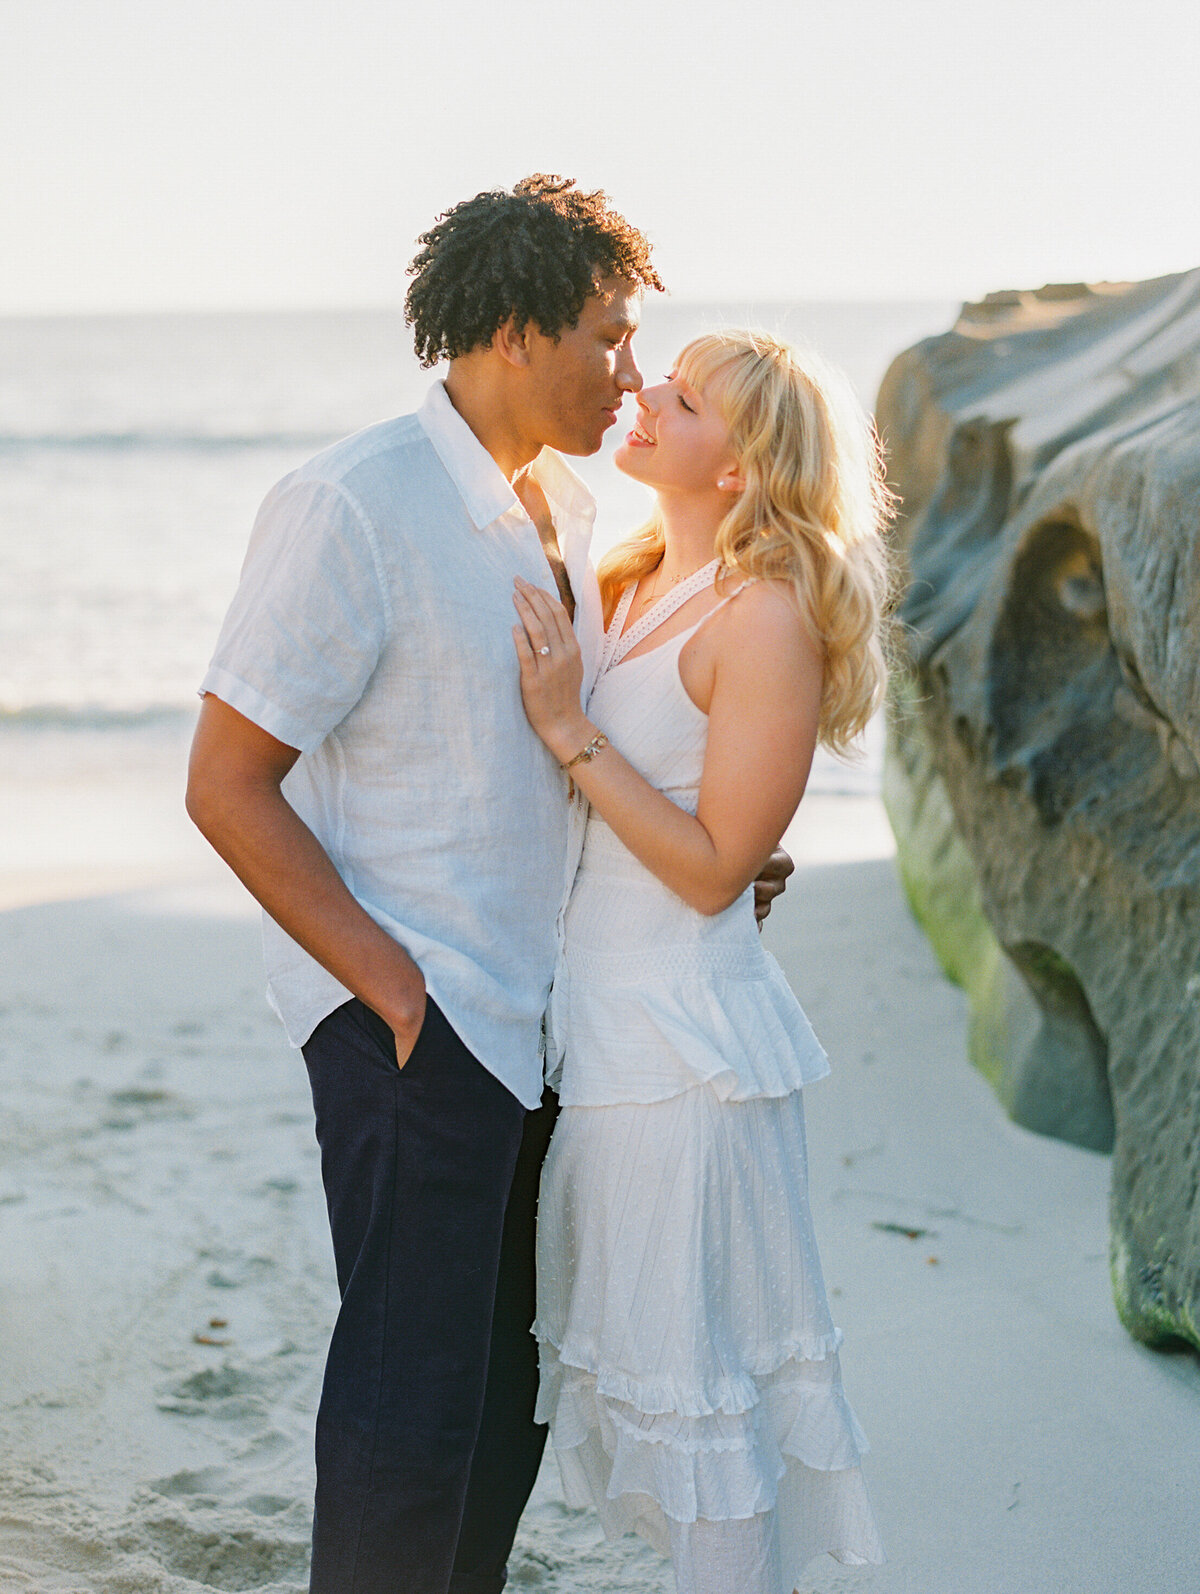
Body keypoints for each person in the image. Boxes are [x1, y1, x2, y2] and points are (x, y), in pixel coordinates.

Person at [185, 176, 791, 1594]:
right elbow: (227, 783)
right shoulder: (354, 501)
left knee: (499, 1409)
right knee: (409, 1407)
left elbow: (526, 767)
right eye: (606, 336)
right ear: (512, 331)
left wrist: (705, 857)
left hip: (544, 1023)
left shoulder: (560, 513)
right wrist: (392, 991)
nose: (629, 374)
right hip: (419, 1020)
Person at [511, 329, 889, 1593]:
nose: (643, 396)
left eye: (681, 399)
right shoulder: (621, 585)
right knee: (654, 1379)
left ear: (741, 469)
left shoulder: (766, 614)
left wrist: (566, 728)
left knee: (707, 1399)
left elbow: (720, 862)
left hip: (689, 1062)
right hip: (605, 1039)